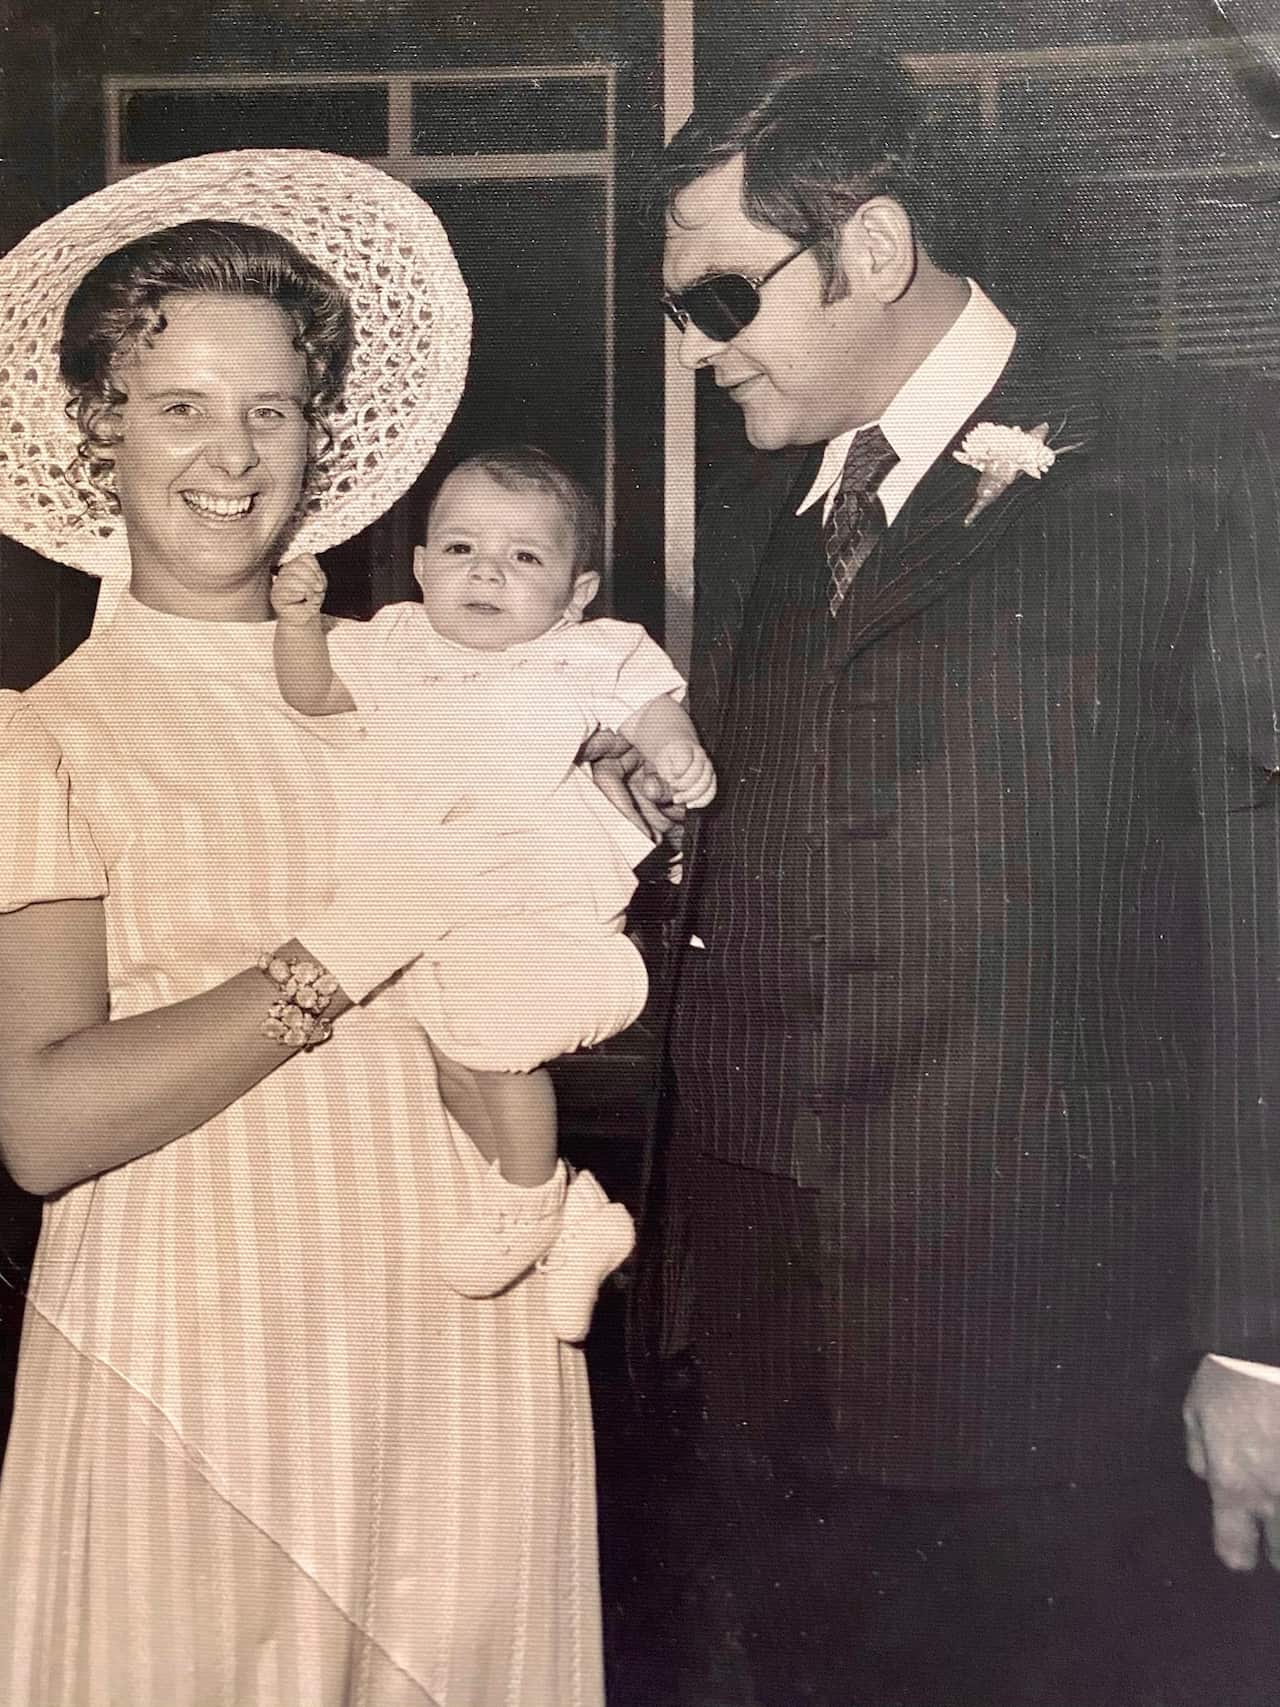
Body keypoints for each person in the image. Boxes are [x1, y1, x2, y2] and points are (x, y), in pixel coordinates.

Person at [629, 50, 1280, 1707]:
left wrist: (1257, 1333)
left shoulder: (1201, 459)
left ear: (871, 247)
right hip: (767, 1372)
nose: (692, 347)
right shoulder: (781, 512)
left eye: (720, 297)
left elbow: (1265, 916)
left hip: (1057, 1371)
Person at [0, 149, 608, 1706]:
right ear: (101, 427)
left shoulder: (420, 673)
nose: (231, 454)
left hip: (456, 1362)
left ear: (316, 431)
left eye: (270, 408)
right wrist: (331, 958)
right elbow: (43, 1122)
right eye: (179, 405)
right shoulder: (47, 732)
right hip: (195, 1371)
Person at [270, 444, 713, 1330]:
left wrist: (676, 750)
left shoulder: (582, 652)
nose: (487, 572)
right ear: (420, 565)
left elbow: (648, 702)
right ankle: (574, 1212)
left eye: (524, 557)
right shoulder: (396, 639)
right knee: (447, 1056)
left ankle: (528, 1196)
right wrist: (296, 624)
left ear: (576, 593)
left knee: (497, 1044)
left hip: (528, 892)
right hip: (430, 897)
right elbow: (314, 694)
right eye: (461, 548)